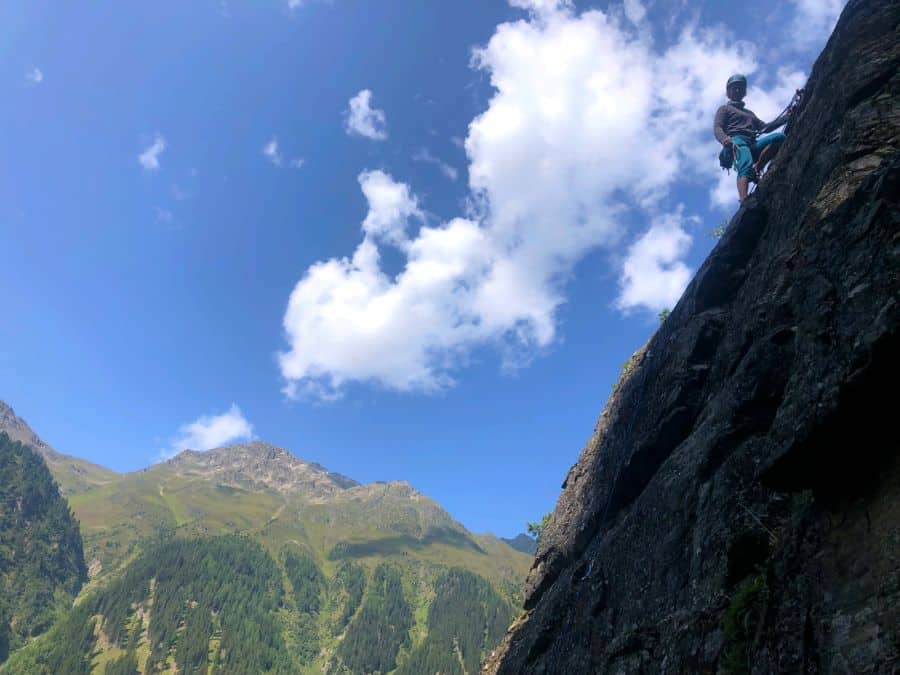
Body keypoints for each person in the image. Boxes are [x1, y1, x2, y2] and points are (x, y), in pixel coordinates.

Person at [714, 74, 790, 203]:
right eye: (734, 88)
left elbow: (765, 128)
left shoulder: (750, 114)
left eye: (740, 88)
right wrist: (724, 139)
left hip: (753, 143)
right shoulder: (724, 109)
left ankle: (758, 167)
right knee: (745, 163)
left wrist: (786, 117)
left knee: (779, 138)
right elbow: (718, 127)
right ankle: (744, 200)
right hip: (736, 141)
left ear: (744, 92)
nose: (737, 90)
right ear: (728, 92)